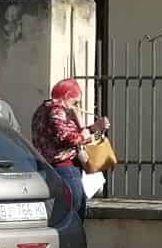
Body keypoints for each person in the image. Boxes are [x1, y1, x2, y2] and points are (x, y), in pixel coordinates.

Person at [31, 77, 108, 215]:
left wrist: (91, 128)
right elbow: (67, 137)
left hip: (50, 166)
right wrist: (88, 132)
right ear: (67, 96)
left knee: (64, 208)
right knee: (75, 208)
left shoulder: (42, 109)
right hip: (64, 166)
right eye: (75, 101)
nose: (76, 106)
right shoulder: (57, 111)